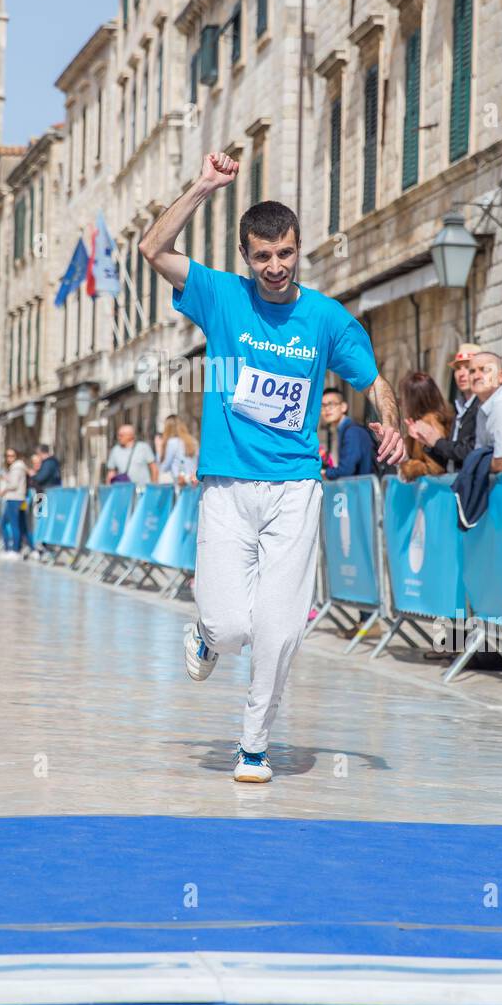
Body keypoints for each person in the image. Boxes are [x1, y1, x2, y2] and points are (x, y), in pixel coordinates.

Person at [141, 150, 406, 784]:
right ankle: (206, 636)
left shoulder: (325, 317)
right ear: (246, 258)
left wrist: (389, 423)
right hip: (228, 487)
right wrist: (205, 185)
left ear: (298, 248)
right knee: (232, 626)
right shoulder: (219, 296)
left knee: (280, 627)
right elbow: (153, 248)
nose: (275, 267)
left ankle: (253, 744)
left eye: (285, 253)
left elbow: (375, 380)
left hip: (295, 485)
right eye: (262, 256)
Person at [407, 344, 479, 472]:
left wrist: (436, 442)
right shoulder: (460, 408)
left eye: (468, 367)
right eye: (457, 368)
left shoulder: (482, 407)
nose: (461, 374)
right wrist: (427, 442)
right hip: (457, 484)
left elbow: (470, 451)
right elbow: (449, 460)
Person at [398, 372, 453, 481]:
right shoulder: (426, 420)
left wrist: (410, 467)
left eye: (403, 398)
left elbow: (436, 467)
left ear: (412, 400)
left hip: (437, 492)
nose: (401, 403)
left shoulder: (428, 421)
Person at [318, 388, 375, 479]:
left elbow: (346, 470)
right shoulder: (337, 431)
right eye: (323, 405)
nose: (327, 409)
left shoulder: (352, 432)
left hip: (364, 489)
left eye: (331, 404)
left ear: (343, 407)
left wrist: (324, 473)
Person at [0, 446, 33, 559]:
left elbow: (14, 484)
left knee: (11, 524)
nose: (9, 458)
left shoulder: (17, 467)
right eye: (7, 456)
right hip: (20, 499)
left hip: (15, 498)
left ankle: (14, 549)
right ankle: (26, 548)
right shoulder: (17, 467)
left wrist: (4, 488)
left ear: (16, 456)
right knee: (20, 524)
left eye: (12, 455)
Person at [158, 415, 198, 485]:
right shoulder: (193, 441)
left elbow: (164, 468)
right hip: (194, 483)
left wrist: (158, 449)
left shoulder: (172, 442)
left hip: (180, 484)